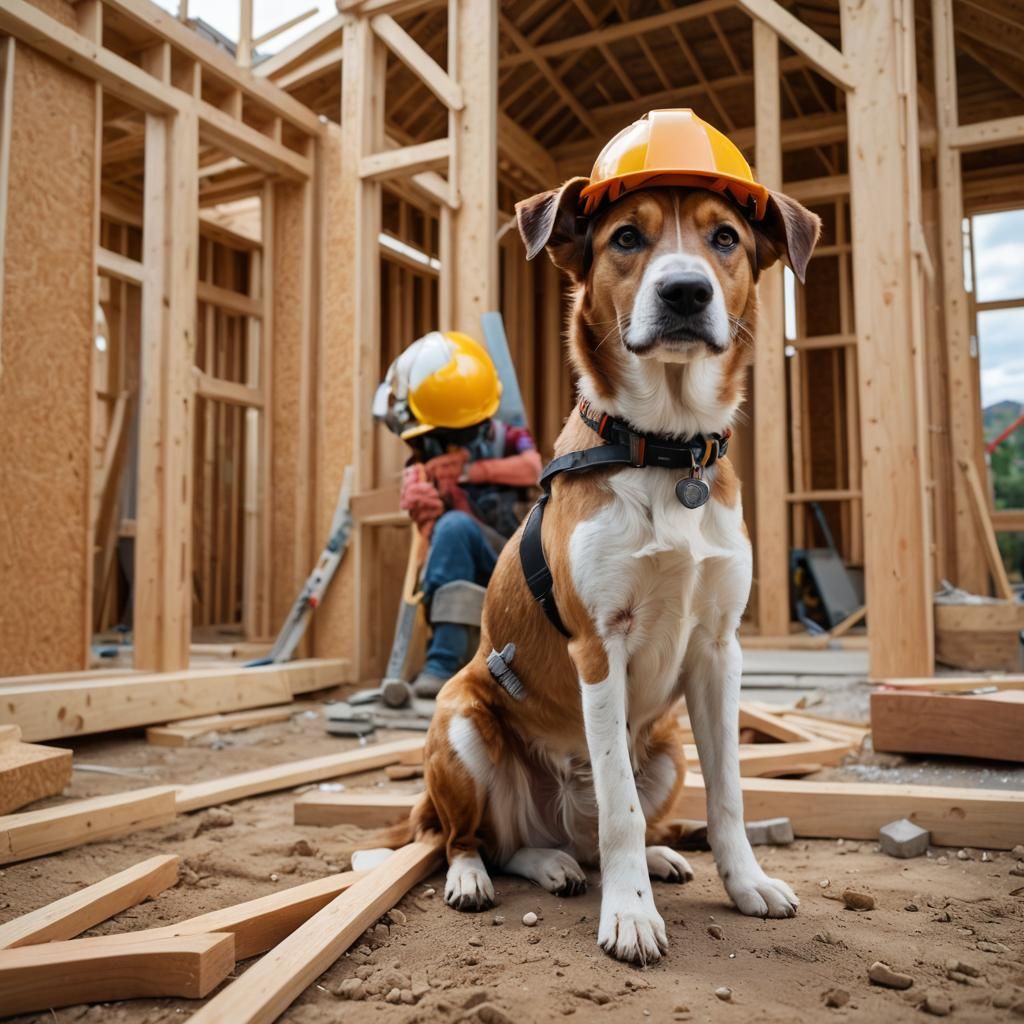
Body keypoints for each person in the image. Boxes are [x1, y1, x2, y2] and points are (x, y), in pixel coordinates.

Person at [373, 331, 541, 698]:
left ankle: (443, 663)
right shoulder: (424, 454)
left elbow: (532, 468)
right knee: (451, 529)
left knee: (456, 527)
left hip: (518, 566)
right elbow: (438, 548)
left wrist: (467, 472)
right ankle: (446, 664)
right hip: (472, 568)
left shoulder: (507, 436)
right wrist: (425, 514)